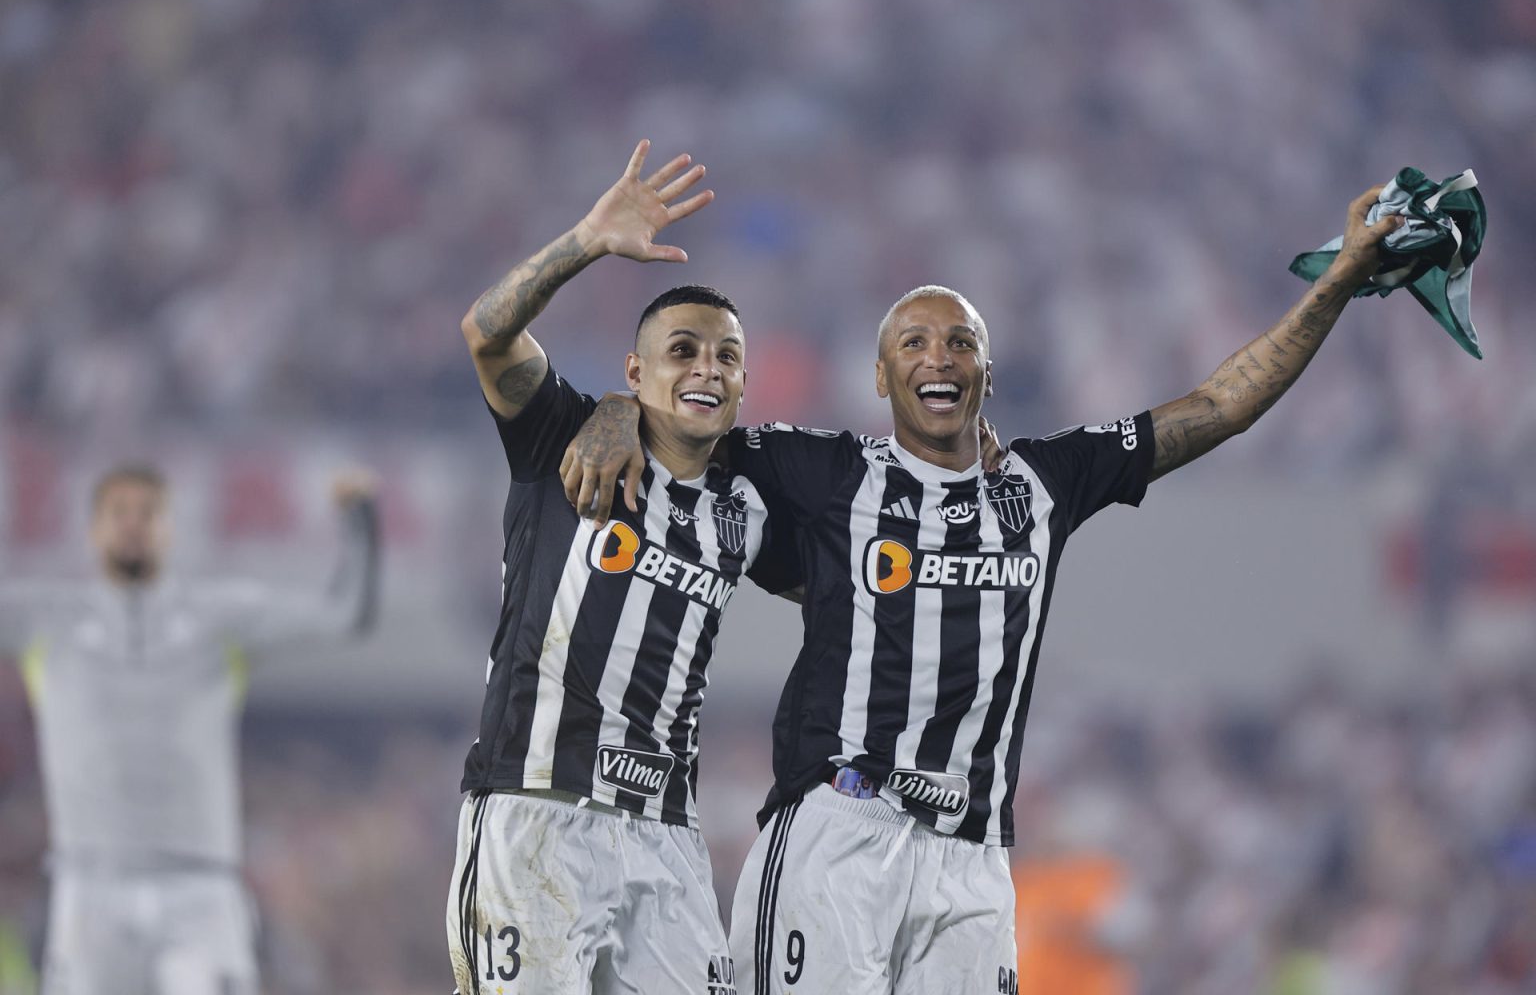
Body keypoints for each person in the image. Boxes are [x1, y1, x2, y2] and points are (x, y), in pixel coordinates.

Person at [564, 186, 1406, 994]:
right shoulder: (826, 472)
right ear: (882, 380)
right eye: (915, 344)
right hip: (839, 832)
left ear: (987, 376)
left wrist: (1336, 284)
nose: (939, 356)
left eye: (960, 342)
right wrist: (613, 408)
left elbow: (1220, 405)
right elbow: (688, 415)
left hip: (972, 860)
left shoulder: (1045, 482)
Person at [446, 139, 802, 995]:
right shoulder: (562, 435)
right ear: (636, 371)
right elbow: (486, 334)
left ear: (745, 385)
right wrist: (588, 242)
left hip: (666, 836)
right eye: (682, 351)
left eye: (724, 357)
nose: (705, 368)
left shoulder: (748, 506)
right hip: (536, 814)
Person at [0, 462, 380, 995]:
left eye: (148, 513)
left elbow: (344, 615)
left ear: (169, 528)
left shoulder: (217, 617)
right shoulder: (46, 617)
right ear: (93, 528)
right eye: (118, 512)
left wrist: (358, 520)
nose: (133, 524)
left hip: (199, 887)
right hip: (89, 885)